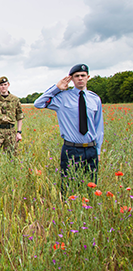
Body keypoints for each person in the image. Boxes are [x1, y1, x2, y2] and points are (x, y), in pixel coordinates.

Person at [34, 64, 104, 194]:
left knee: (91, 186)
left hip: (91, 149)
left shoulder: (95, 99)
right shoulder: (62, 98)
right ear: (71, 79)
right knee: (67, 187)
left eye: (83, 76)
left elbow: (99, 127)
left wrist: (98, 151)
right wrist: (56, 88)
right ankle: (67, 209)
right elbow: (38, 103)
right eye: (76, 76)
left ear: (88, 77)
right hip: (72, 149)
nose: (80, 79)